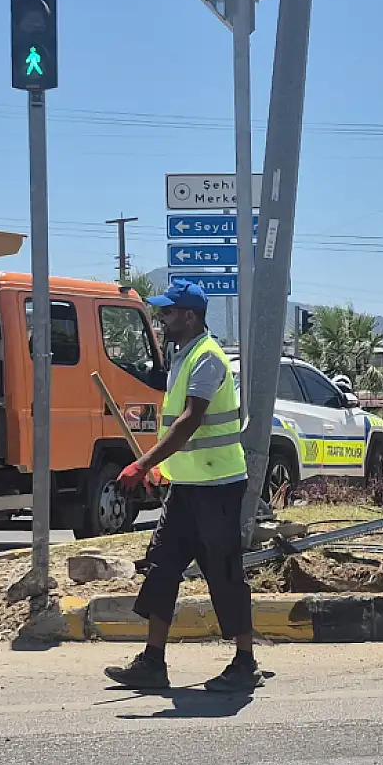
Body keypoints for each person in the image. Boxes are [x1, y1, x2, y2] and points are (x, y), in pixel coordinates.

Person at [105, 279, 261, 693]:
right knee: (162, 565)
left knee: (223, 572)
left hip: (218, 486)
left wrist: (143, 463)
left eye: (168, 312)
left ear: (190, 316)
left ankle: (246, 662)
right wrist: (162, 469)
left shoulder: (207, 358)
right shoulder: (184, 357)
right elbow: (179, 427)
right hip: (188, 486)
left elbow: (191, 420)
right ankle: (153, 661)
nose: (161, 319)